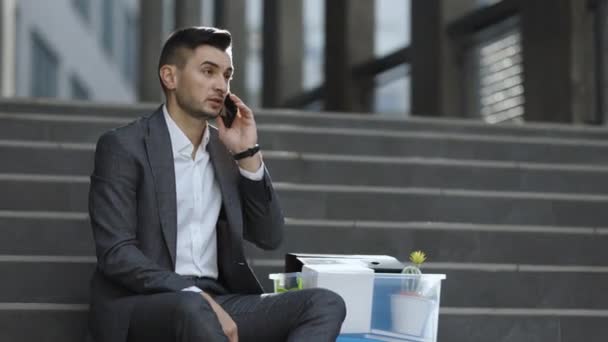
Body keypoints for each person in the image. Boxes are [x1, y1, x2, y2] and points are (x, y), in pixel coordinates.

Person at [87, 26, 346, 342]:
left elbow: (270, 236)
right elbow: (116, 254)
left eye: (226, 75)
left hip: (218, 300)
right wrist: (191, 292)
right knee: (191, 308)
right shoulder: (124, 146)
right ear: (170, 77)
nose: (220, 85)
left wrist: (248, 155)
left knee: (324, 303)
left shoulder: (225, 152)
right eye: (208, 72)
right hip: (147, 303)